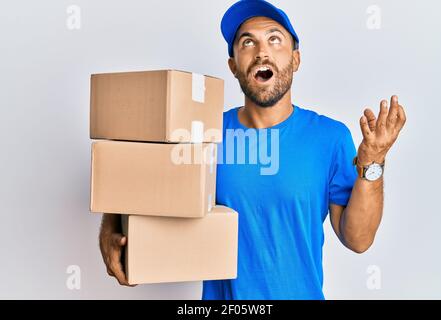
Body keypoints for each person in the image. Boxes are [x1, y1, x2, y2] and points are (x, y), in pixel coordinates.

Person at [98, 0, 406, 299]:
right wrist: (112, 228)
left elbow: (358, 239)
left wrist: (373, 162)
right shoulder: (203, 135)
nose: (262, 52)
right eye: (247, 43)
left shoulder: (330, 138)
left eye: (274, 40)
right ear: (233, 66)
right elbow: (139, 183)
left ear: (295, 60)